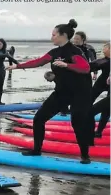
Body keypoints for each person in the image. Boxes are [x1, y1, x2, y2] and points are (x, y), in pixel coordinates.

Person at [7, 19, 93, 164]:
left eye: (54, 35)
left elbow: (85, 68)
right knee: (39, 118)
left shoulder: (74, 51)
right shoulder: (55, 52)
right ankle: (36, 150)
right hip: (62, 92)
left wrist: (67, 65)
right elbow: (38, 62)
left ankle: (85, 156)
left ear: (63, 35)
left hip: (80, 93)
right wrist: (17, 66)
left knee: (77, 122)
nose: (51, 37)